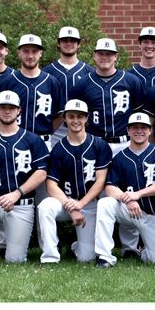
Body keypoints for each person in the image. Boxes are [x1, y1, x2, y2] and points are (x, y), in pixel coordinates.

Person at [72, 38, 147, 259]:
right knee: (94, 191)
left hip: (125, 141)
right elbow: (75, 116)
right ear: (94, 56)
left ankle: (129, 247)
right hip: (96, 143)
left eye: (109, 54)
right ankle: (93, 243)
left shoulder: (131, 81)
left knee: (128, 189)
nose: (105, 57)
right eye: (101, 53)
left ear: (116, 56)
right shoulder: (83, 83)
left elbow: (142, 114)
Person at [0, 90, 50, 268]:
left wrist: (16, 193)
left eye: (11, 107)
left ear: (19, 110)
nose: (7, 111)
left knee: (15, 261)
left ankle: (7, 250)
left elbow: (41, 173)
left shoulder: (33, 140)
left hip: (22, 204)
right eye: (3, 107)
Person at [94, 112, 155, 268]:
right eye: (135, 127)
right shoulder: (120, 157)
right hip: (130, 211)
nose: (139, 131)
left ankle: (145, 251)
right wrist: (129, 199)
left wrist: (137, 194)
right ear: (128, 130)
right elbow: (110, 187)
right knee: (105, 203)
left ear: (150, 130)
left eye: (143, 127)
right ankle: (104, 257)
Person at [37, 99, 112, 263]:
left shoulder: (99, 145)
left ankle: (74, 246)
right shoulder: (59, 149)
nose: (75, 121)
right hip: (66, 203)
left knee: (86, 258)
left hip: (90, 203)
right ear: (64, 118)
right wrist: (71, 206)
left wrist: (81, 204)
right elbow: (51, 184)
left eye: (80, 116)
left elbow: (100, 182)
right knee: (45, 206)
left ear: (87, 119)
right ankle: (50, 256)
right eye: (71, 116)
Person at [0, 34, 64, 151]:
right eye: (26, 51)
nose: (30, 56)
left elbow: (60, 115)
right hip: (13, 141)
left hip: (43, 142)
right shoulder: (8, 82)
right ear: (19, 53)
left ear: (40, 53)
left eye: (34, 51)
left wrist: (46, 130)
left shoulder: (51, 82)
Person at [42, 26, 94, 147]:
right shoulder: (47, 72)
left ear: (79, 44)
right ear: (58, 43)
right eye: (65, 40)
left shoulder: (89, 72)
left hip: (82, 127)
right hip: (55, 130)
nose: (69, 43)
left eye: (73, 40)